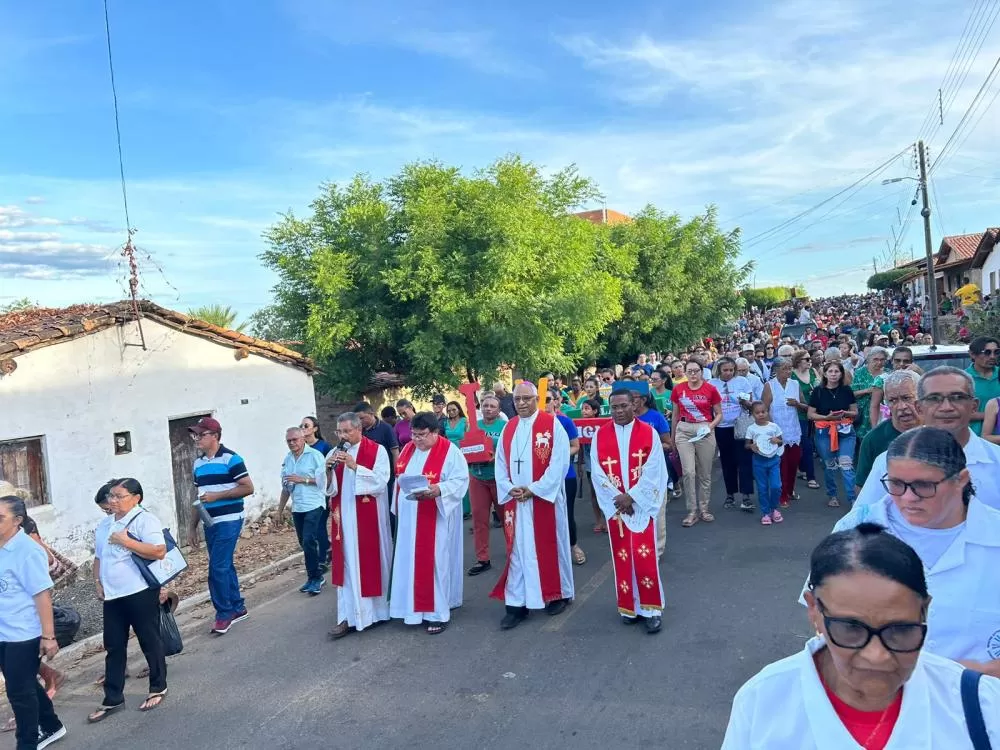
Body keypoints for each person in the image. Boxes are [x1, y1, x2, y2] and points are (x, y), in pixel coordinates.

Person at [724, 523, 1000, 748]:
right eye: (851, 629)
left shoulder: (979, 704)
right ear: (814, 609)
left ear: (924, 611)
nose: (877, 656)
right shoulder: (762, 702)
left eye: (900, 630)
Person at [831, 427, 1000, 676]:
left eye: (923, 485)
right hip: (876, 697)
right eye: (896, 484)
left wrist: (965, 677)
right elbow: (825, 615)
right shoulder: (853, 529)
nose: (908, 498)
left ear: (961, 480)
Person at [491, 381, 574, 630]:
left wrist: (534, 489)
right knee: (517, 552)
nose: (521, 404)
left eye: (526, 399)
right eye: (517, 399)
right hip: (517, 502)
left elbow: (559, 464)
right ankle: (517, 604)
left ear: (536, 399)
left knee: (548, 546)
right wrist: (508, 487)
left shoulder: (551, 426)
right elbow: (500, 463)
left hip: (542, 501)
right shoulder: (509, 428)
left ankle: (554, 594)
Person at [855, 367, 1000, 510]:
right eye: (934, 399)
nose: (946, 407)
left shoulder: (996, 460)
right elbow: (860, 518)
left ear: (974, 406)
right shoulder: (887, 461)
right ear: (920, 407)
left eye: (957, 398)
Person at [88, 478, 168, 722]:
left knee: (148, 639)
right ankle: (113, 698)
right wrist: (98, 583)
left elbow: (158, 551)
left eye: (118, 496)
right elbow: (99, 558)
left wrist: (126, 542)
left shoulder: (145, 520)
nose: (112, 501)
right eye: (111, 496)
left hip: (139, 590)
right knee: (113, 645)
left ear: (136, 498)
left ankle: (158, 686)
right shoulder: (104, 526)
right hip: (113, 595)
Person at [590, 390, 667, 633]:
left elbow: (654, 470)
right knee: (623, 559)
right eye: (614, 407)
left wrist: (631, 497)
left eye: (623, 406)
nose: (619, 411)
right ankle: (629, 607)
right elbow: (598, 471)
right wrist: (618, 499)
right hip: (616, 508)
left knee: (645, 559)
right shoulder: (600, 435)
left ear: (633, 405)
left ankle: (652, 609)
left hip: (640, 505)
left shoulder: (648, 432)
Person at [389, 412, 469, 635]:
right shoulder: (408, 449)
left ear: (435, 432)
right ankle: (409, 608)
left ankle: (437, 613)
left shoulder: (450, 452)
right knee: (408, 561)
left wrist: (439, 489)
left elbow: (461, 480)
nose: (417, 440)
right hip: (409, 516)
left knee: (436, 562)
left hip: (435, 515)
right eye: (413, 435)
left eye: (422, 435)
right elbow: (399, 475)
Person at [0, 495, 66, 749]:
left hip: (23, 633)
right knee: (23, 681)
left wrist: (48, 637)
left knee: (19, 692)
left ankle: (26, 743)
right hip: (4, 632)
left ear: (18, 521)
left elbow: (42, 595)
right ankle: (52, 725)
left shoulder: (27, 551)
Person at [324, 412, 392, 639]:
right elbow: (328, 488)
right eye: (339, 432)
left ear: (358, 429)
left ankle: (377, 612)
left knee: (370, 562)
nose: (342, 436)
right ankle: (348, 616)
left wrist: (355, 466)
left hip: (368, 518)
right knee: (347, 566)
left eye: (346, 431)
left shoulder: (377, 450)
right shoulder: (335, 453)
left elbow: (382, 481)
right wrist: (328, 470)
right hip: (343, 520)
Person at [188, 417, 254, 635]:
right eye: (195, 434)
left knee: (217, 568)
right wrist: (192, 527)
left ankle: (224, 613)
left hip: (230, 520)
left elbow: (247, 488)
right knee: (225, 565)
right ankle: (237, 607)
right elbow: (198, 497)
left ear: (215, 436)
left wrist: (218, 496)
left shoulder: (231, 459)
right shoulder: (198, 463)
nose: (197, 438)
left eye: (201, 434)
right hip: (210, 522)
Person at [671, 359, 723, 527]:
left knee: (705, 473)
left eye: (696, 371)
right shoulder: (678, 389)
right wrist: (672, 438)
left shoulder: (711, 389)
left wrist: (710, 427)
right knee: (688, 472)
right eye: (689, 371)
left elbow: (719, 414)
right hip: (684, 429)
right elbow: (674, 415)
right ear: (685, 372)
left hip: (704, 429)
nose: (693, 374)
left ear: (702, 371)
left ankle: (704, 509)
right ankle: (692, 511)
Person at [276, 427, 328, 596]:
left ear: (303, 439)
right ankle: (312, 576)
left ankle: (317, 577)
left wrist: (303, 479)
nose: (292, 443)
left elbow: (324, 482)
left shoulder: (315, 456)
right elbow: (286, 486)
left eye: (295, 440)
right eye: (289, 441)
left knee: (308, 540)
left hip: (314, 504)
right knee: (304, 543)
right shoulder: (288, 459)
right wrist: (280, 510)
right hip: (298, 506)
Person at [854, 370, 922, 492]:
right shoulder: (873, 440)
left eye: (907, 398)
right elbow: (862, 488)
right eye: (893, 400)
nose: (901, 407)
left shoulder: (940, 432)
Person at [808, 362, 858, 508]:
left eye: (837, 371)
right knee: (829, 465)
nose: (834, 374)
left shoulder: (847, 390)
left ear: (841, 374)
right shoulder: (818, 391)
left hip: (845, 430)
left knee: (846, 464)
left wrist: (845, 413)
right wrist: (827, 418)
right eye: (830, 371)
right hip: (825, 431)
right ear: (825, 374)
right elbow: (811, 414)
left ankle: (853, 498)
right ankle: (832, 495)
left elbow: (855, 412)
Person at [710, 357, 755, 512]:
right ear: (719, 370)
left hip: (740, 425)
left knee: (744, 460)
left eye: (731, 370)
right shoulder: (712, 384)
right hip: (722, 426)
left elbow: (751, 404)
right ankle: (730, 494)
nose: (728, 373)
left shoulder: (742, 382)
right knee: (727, 462)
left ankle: (746, 495)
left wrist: (744, 402)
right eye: (725, 370)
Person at [467, 395, 505, 576]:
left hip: (499, 480)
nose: (488, 408)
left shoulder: (505, 427)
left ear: (498, 410)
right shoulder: (474, 426)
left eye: (492, 406)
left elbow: (509, 451)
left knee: (507, 519)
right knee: (479, 521)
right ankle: (483, 559)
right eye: (485, 405)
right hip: (477, 478)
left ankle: (515, 552)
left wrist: (495, 455)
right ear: (481, 408)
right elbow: (467, 447)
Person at [545, 389, 584, 566]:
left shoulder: (564, 422)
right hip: (540, 479)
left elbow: (575, 446)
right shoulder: (529, 425)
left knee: (566, 513)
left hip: (565, 476)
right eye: (540, 399)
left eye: (547, 399)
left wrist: (559, 458)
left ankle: (573, 545)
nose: (544, 403)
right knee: (543, 515)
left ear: (556, 401)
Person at [634, 391, 673, 559]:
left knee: (657, 510)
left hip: (654, 472)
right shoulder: (622, 421)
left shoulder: (656, 417)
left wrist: (650, 449)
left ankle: (656, 550)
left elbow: (668, 444)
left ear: (643, 399)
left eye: (634, 397)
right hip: (632, 472)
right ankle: (637, 546)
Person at [762, 357, 803, 508]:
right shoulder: (769, 386)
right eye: (785, 368)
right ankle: (782, 494)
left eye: (790, 368)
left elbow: (806, 406)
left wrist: (797, 404)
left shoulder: (795, 384)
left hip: (793, 430)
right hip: (777, 431)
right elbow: (764, 409)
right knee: (781, 465)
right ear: (776, 370)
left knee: (793, 463)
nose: (788, 371)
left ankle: (790, 490)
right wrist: (771, 428)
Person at [745, 403, 785, 525]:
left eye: (763, 411)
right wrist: (751, 446)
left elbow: (781, 442)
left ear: (767, 412)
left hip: (773, 460)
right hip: (759, 461)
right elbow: (746, 445)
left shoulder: (774, 427)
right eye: (757, 413)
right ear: (753, 415)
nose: (761, 414)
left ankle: (774, 508)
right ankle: (766, 513)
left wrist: (777, 441)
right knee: (762, 488)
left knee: (776, 486)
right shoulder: (751, 429)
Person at [300, 416, 332, 568]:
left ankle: (323, 555)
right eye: (301, 426)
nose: (303, 428)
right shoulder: (301, 448)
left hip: (321, 491)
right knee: (311, 528)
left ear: (315, 429)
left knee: (319, 525)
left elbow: (330, 471)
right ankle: (325, 549)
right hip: (305, 495)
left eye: (306, 425)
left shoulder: (324, 447)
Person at [354, 402, 401, 494]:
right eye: (357, 419)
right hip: (364, 473)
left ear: (372, 414)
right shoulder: (359, 430)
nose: (359, 421)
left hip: (384, 473)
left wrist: (396, 472)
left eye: (362, 418)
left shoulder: (385, 428)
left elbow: (395, 452)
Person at [791, 350, 820, 490]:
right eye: (806, 359)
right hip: (799, 414)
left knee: (812, 444)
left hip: (816, 412)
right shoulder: (792, 375)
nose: (809, 361)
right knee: (806, 444)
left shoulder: (814, 372)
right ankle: (811, 477)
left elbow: (821, 387)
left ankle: (802, 468)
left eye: (810, 359)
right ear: (798, 361)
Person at [851, 346, 888, 443]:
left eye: (882, 359)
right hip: (862, 414)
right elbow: (852, 393)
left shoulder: (887, 374)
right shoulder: (860, 372)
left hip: (881, 413)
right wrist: (868, 390)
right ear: (869, 359)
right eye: (875, 359)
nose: (879, 362)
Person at [967, 336, 1000, 435]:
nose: (992, 356)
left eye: (996, 352)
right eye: (987, 352)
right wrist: (992, 415)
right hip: (976, 438)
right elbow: (959, 413)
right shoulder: (964, 379)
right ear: (972, 354)